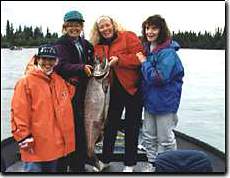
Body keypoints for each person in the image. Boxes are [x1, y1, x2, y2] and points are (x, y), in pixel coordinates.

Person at [90, 15, 144, 172]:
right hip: (110, 92)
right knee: (110, 126)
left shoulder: (128, 36)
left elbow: (139, 58)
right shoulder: (97, 46)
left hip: (132, 89)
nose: (105, 29)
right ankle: (105, 159)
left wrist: (119, 60)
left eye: (108, 25)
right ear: (98, 30)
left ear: (113, 25)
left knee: (132, 126)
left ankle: (130, 164)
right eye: (102, 27)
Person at [10, 44, 76, 172]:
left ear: (56, 61)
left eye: (51, 59)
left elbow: (67, 99)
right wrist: (24, 137)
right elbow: (18, 113)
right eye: (44, 59)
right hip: (34, 146)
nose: (47, 63)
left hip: (55, 146)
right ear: (37, 59)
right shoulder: (25, 82)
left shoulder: (59, 81)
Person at [136, 14, 185, 172]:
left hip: (165, 102)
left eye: (154, 28)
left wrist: (143, 62)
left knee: (165, 139)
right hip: (150, 102)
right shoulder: (148, 49)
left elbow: (159, 78)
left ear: (161, 30)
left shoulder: (168, 53)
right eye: (147, 27)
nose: (150, 31)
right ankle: (153, 164)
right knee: (148, 135)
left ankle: (170, 168)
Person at [54, 10, 94, 172]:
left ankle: (80, 164)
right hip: (68, 93)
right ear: (65, 27)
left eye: (77, 25)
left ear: (81, 26)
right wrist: (81, 67)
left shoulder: (85, 43)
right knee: (70, 129)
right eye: (70, 25)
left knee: (82, 129)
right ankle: (65, 165)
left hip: (85, 92)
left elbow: (94, 55)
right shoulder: (60, 44)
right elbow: (60, 65)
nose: (74, 28)